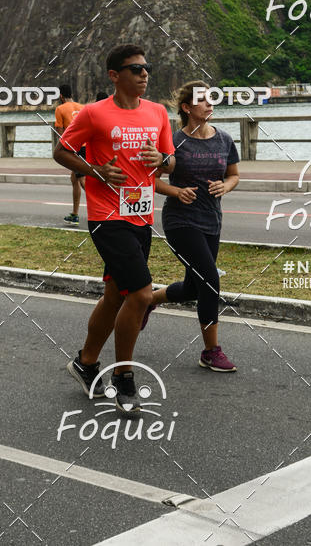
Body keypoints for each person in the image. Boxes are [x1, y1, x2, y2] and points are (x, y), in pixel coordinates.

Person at [53, 44, 174, 413]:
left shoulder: (158, 112)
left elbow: (170, 163)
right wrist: (96, 171)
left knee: (115, 296)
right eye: (135, 69)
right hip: (107, 217)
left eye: (146, 67)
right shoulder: (93, 113)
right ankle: (124, 375)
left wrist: (163, 159)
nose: (144, 74)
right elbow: (61, 151)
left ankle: (86, 362)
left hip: (141, 216)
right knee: (139, 293)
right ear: (114, 75)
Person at [144, 80, 240, 371]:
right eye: (202, 100)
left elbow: (234, 174)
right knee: (210, 279)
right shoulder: (173, 142)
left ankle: (149, 300)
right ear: (187, 108)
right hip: (180, 221)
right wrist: (176, 191)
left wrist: (226, 186)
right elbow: (151, 179)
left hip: (212, 220)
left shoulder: (223, 139)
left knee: (194, 287)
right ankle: (211, 351)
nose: (210, 103)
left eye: (211, 98)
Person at [54, 84, 84, 224]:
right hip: (86, 146)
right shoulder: (83, 107)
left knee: (83, 180)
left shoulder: (60, 109)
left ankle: (103, 210)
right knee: (75, 179)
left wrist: (63, 150)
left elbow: (60, 132)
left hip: (74, 148)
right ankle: (75, 214)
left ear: (61, 96)